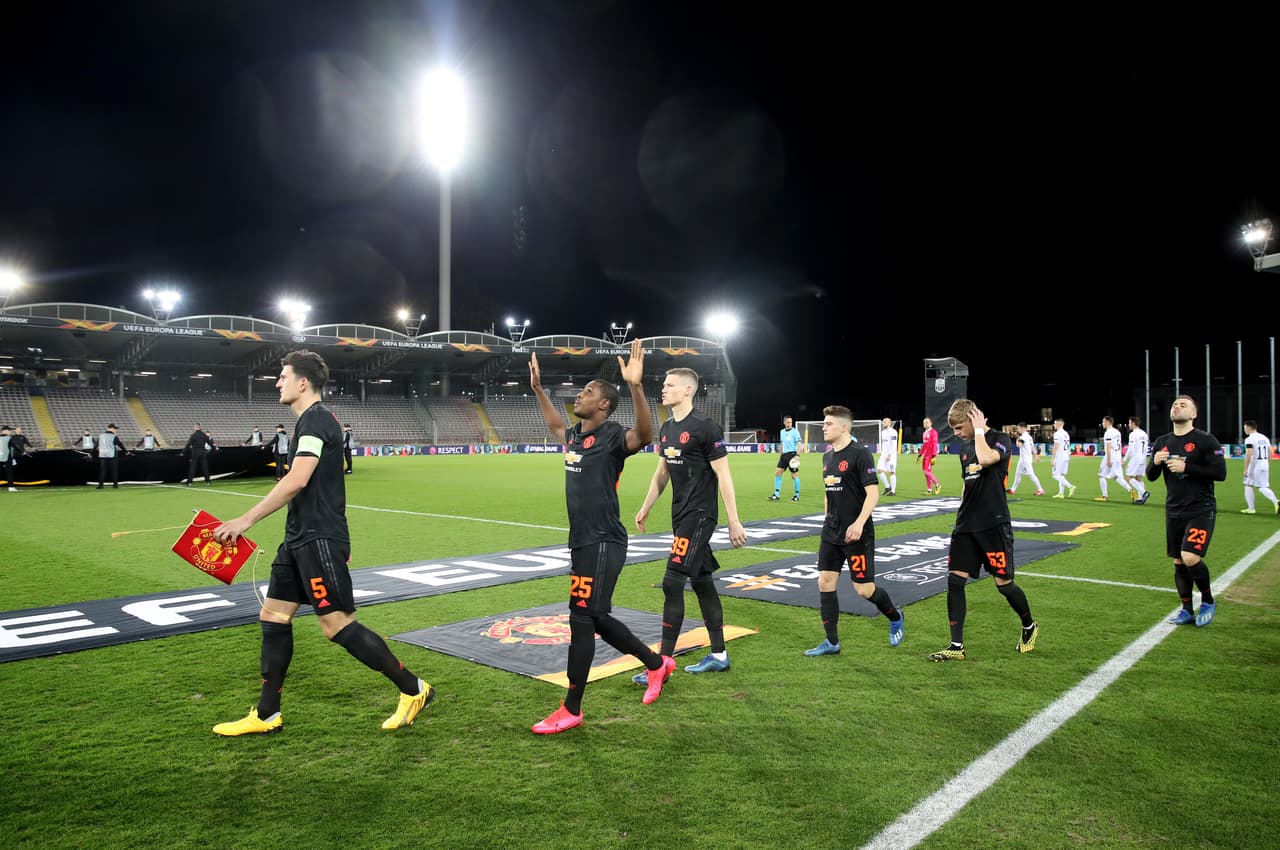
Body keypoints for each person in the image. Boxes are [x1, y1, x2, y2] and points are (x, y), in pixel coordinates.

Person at [210, 350, 432, 736]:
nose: (277, 382)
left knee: (336, 626)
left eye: (282, 376)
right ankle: (266, 715)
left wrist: (245, 520)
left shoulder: (315, 421)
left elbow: (297, 480)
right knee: (273, 616)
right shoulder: (308, 423)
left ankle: (414, 689)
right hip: (298, 538)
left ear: (302, 383)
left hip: (318, 540)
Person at [526, 339, 673, 734]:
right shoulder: (574, 435)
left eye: (588, 391)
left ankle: (571, 708)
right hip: (582, 541)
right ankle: (658, 664)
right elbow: (556, 425)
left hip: (605, 540)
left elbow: (644, 435)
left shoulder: (612, 436)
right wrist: (539, 389)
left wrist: (636, 387)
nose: (581, 393)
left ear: (605, 404)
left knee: (581, 617)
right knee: (597, 617)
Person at [634, 367, 747, 679]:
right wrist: (645, 507)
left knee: (672, 582)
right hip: (680, 515)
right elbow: (662, 473)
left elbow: (724, 476)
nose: (663, 389)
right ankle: (719, 654)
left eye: (670, 385)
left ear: (687, 390)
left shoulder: (705, 428)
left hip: (700, 516)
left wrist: (733, 521)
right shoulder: (667, 427)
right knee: (702, 583)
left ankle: (661, 666)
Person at [929, 399, 1039, 661]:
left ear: (972, 419)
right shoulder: (964, 447)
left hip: (993, 524)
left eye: (959, 427)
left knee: (1004, 585)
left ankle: (1029, 626)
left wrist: (979, 432)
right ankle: (956, 647)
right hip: (966, 525)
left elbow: (988, 459)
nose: (956, 433)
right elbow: (967, 484)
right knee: (955, 581)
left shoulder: (1000, 439)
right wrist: (959, 514)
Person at [804, 405, 903, 656]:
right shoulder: (826, 457)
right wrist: (826, 525)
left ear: (844, 427)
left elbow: (872, 493)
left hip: (857, 533)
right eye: (824, 423)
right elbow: (829, 494)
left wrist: (859, 523)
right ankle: (832, 642)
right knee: (825, 581)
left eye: (828, 424)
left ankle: (894, 616)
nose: (824, 427)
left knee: (863, 590)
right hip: (831, 531)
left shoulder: (860, 454)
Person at [1146, 394, 1227, 627]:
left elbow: (1220, 474)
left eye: (1183, 405)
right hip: (1173, 510)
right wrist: (1156, 462)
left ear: (1193, 414)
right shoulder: (1162, 441)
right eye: (1174, 404)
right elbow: (1151, 476)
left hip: (1200, 509)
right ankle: (1186, 610)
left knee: (1190, 557)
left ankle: (1208, 600)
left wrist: (1186, 467)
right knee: (1179, 562)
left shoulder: (1206, 440)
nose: (1176, 407)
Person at [1241, 420, 1278, 515]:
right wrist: (1268, 463)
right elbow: (1271, 452)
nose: (1244, 429)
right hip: (1264, 464)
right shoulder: (1264, 437)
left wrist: (1245, 469)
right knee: (1248, 484)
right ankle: (1251, 508)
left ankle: (1276, 501)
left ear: (1249, 428)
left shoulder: (1249, 439)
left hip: (1255, 465)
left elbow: (1249, 453)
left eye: (1245, 427)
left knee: (1261, 487)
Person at [1095, 415, 1133, 502]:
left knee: (1101, 475)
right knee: (1116, 476)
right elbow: (1119, 446)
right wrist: (1120, 458)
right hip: (1117, 456)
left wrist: (1108, 460)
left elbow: (1108, 448)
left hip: (1110, 456)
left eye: (1103, 421)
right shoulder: (1117, 432)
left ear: (1108, 422)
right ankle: (1130, 490)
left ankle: (1105, 496)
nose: (1103, 423)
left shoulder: (1108, 433)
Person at [769, 415, 802, 501]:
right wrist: (780, 455)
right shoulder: (782, 432)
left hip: (792, 455)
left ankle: (796, 495)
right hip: (784, 456)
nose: (789, 424)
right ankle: (776, 494)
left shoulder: (795, 432)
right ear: (784, 422)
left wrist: (797, 456)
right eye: (788, 422)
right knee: (777, 473)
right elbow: (782, 443)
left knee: (794, 475)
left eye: (791, 422)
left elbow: (799, 444)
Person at [1007, 423, 1045, 496]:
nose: (1018, 430)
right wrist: (1036, 456)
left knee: (1031, 475)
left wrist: (1017, 438)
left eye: (1018, 428)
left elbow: (1018, 445)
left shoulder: (1023, 437)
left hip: (1025, 460)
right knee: (1018, 474)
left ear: (1023, 428)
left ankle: (1040, 490)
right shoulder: (1029, 437)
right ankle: (1013, 489)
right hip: (1023, 459)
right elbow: (1032, 447)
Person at [1125, 416, 1151, 504]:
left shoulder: (1133, 434)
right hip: (1143, 458)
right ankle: (1140, 499)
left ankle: (1144, 492)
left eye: (1129, 423)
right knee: (1139, 478)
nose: (1129, 425)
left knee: (1128, 477)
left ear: (1133, 423)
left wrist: (1125, 459)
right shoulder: (1144, 434)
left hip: (1135, 458)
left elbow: (1130, 449)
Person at [1050, 417, 1077, 499]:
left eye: (1055, 423)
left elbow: (1056, 446)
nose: (1054, 425)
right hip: (1066, 456)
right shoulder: (1066, 433)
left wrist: (1053, 458)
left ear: (1059, 424)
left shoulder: (1057, 434)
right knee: (1061, 475)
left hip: (1060, 457)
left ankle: (1070, 486)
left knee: (1055, 475)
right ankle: (1061, 493)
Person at [96, 423, 127, 489]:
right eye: (115, 429)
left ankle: (100, 485)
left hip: (103, 455)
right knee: (114, 470)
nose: (116, 430)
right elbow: (120, 444)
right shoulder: (113, 436)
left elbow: (95, 445)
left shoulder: (101, 436)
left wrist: (91, 453)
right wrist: (126, 451)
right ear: (111, 428)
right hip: (112, 455)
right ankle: (115, 485)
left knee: (103, 471)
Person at [876, 417, 899, 496]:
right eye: (883, 422)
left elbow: (894, 444)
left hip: (891, 455)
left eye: (885, 422)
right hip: (883, 455)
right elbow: (884, 443)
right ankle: (887, 487)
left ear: (889, 423)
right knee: (879, 470)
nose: (883, 423)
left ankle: (893, 491)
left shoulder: (893, 432)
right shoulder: (882, 432)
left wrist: (889, 454)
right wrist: (882, 452)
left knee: (891, 472)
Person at [919, 417, 940, 495]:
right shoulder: (924, 433)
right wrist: (920, 454)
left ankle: (938, 485)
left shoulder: (933, 432)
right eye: (924, 423)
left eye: (927, 422)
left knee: (926, 471)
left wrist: (934, 455)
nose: (925, 424)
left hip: (930, 455)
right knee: (926, 473)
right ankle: (929, 490)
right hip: (925, 455)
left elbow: (935, 444)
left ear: (931, 423)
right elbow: (924, 445)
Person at [0, 425, 14, 492]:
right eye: (9, 430)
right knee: (9, 472)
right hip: (7, 457)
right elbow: (15, 446)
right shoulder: (9, 438)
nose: (10, 432)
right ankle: (11, 487)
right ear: (5, 431)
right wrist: (23, 451)